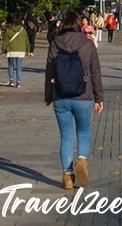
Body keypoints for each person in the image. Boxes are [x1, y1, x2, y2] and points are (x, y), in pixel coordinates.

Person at [45, 10, 104, 191]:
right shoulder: (88, 44)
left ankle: (67, 174)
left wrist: (48, 96)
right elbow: (95, 72)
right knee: (84, 133)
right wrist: (99, 97)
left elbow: (49, 72)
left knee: (66, 136)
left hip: (61, 97)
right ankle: (83, 160)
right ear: (79, 25)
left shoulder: (55, 43)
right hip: (83, 96)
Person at [3, 15, 30, 88]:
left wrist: (3, 49)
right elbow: (26, 41)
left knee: (11, 65)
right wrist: (28, 50)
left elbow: (5, 41)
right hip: (20, 50)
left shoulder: (8, 30)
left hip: (11, 50)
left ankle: (11, 81)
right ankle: (18, 82)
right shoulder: (23, 30)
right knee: (19, 67)